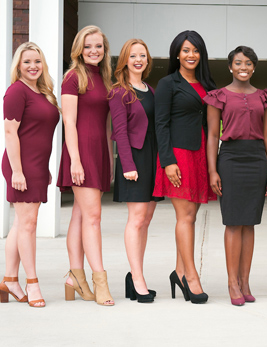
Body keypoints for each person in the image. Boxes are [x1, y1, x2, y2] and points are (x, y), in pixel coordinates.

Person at [205, 46, 267, 306]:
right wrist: (213, 169)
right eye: (238, 63)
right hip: (231, 159)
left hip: (257, 159)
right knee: (234, 222)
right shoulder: (219, 96)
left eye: (248, 63)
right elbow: (213, 135)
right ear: (230, 66)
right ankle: (232, 282)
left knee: (250, 222)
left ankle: (245, 281)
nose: (243, 67)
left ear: (254, 67)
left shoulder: (264, 96)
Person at [154, 30, 217, 304]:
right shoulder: (168, 83)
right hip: (178, 156)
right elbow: (161, 124)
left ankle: (178, 272)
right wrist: (167, 161)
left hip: (200, 153)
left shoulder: (206, 83)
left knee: (191, 217)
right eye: (185, 50)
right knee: (186, 218)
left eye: (195, 50)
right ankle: (191, 277)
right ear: (177, 54)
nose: (191, 55)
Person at [57, 25, 115, 306]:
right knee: (93, 218)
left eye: (99, 46)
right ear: (79, 49)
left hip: (99, 152)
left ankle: (74, 278)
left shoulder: (105, 79)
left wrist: (110, 158)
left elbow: (106, 124)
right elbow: (69, 121)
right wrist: (76, 160)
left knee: (81, 216)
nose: (94, 51)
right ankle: (99, 280)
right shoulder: (72, 77)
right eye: (89, 46)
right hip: (80, 154)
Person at [0, 42, 60, 308]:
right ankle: (32, 283)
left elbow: (38, 134)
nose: (33, 66)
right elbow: (10, 133)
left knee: (20, 223)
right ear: (18, 66)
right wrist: (17, 171)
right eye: (27, 62)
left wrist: (44, 167)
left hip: (36, 166)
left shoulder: (43, 92)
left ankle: (10, 280)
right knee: (29, 225)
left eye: (37, 61)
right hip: (20, 166)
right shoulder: (16, 91)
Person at [109, 39, 161, 304]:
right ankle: (138, 280)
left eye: (143, 55)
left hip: (152, 158)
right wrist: (127, 165)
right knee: (136, 219)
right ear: (125, 61)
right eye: (133, 55)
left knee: (147, 220)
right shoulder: (119, 91)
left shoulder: (150, 90)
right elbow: (119, 131)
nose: (138, 59)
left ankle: (134, 275)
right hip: (134, 160)